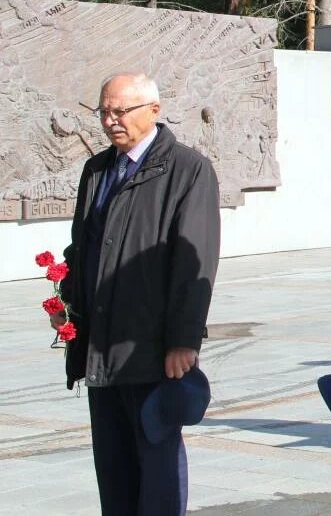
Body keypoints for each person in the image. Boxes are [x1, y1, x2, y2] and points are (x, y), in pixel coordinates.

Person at [53, 73, 220, 516]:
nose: (110, 121)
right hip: (100, 346)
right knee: (113, 468)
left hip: (151, 351)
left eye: (119, 111)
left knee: (157, 466)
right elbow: (81, 245)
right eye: (103, 112)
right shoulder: (98, 170)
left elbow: (195, 260)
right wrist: (66, 303)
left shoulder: (188, 169)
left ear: (153, 110)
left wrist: (183, 340)